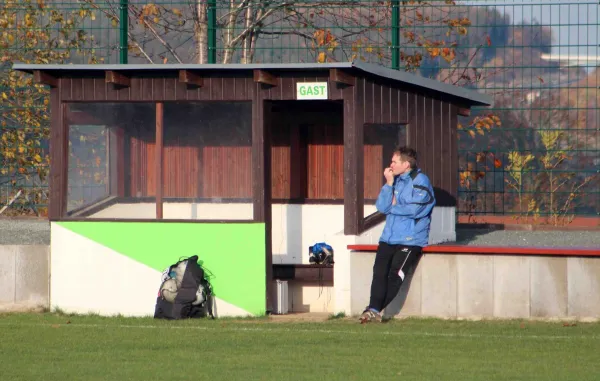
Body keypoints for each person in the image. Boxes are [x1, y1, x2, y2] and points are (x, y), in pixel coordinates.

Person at [360, 146, 436, 323]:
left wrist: (393, 207)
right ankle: (372, 310)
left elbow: (416, 210)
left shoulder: (420, 180)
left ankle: (372, 311)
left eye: (394, 162)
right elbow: (381, 207)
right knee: (379, 273)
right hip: (388, 237)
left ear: (406, 164)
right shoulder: (394, 181)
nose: (390, 165)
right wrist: (388, 184)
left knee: (395, 275)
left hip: (410, 240)